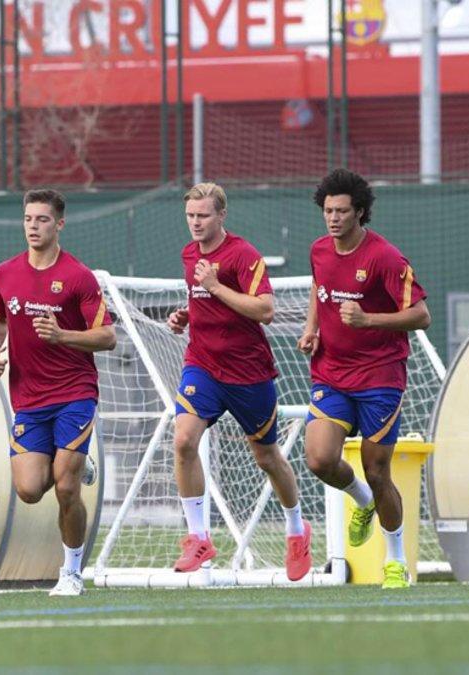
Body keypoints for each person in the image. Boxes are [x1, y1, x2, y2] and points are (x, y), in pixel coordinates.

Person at [166, 182, 311, 581]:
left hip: (249, 373)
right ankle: (198, 537)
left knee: (267, 458)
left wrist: (215, 286)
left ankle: (297, 530)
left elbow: (264, 309)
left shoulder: (243, 255)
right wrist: (186, 315)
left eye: (204, 215)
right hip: (203, 365)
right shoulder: (188, 254)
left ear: (222, 215)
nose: (196, 223)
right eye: (190, 215)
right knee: (182, 440)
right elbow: (205, 303)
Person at [298, 169, 430, 589]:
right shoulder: (319, 250)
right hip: (332, 373)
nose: (333, 218)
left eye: (341, 211)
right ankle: (361, 500)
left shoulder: (385, 257)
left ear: (359, 212)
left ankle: (395, 560)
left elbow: (421, 316)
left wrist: (369, 318)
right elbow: (320, 291)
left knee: (378, 470)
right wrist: (310, 328)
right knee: (319, 458)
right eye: (327, 211)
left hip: (380, 378)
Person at [0, 189, 116, 596]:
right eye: (28, 219)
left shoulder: (78, 277)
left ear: (59, 224)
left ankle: (72, 573)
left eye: (42, 220)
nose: (33, 227)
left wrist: (63, 336)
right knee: (28, 489)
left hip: (74, 393)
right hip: (28, 397)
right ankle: (73, 461)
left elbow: (108, 336)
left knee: (65, 488)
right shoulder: (6, 273)